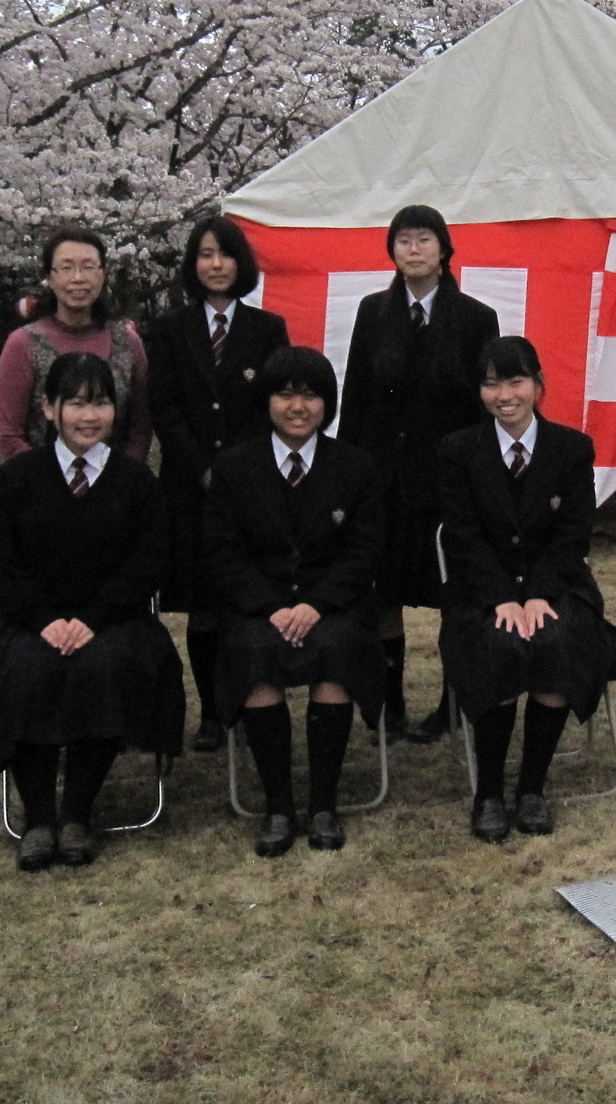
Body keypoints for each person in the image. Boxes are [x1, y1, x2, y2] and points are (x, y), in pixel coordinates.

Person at [0, 353, 186, 871]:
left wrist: (92, 619)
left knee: (105, 668)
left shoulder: (136, 482)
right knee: (24, 670)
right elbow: (0, 564)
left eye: (100, 404)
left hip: (115, 619)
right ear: (49, 408)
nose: (88, 417)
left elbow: (149, 562)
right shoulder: (17, 479)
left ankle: (76, 814)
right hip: (32, 620)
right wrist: (44, 620)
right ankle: (39, 817)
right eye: (75, 404)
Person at [436, 336, 616, 842]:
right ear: (479, 391)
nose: (505, 394)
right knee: (498, 644)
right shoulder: (457, 452)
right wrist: (502, 597)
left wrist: (539, 594)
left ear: (539, 386)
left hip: (559, 584)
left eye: (516, 380)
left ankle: (532, 788)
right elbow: (462, 537)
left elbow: (573, 534)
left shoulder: (572, 449)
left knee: (556, 640)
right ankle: (489, 794)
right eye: (491, 382)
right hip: (482, 590)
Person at [205, 347, 385, 857]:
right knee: (254, 654)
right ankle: (279, 805)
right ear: (266, 402)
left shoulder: (355, 467)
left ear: (327, 403)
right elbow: (223, 552)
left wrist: (317, 605)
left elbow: (365, 551)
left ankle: (324, 803)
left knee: (339, 649)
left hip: (332, 608)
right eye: (285, 394)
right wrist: (270, 607)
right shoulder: (234, 467)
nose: (297, 406)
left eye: (310, 394)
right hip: (260, 610)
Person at [339, 205, 499, 743]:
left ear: (444, 249)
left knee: (452, 594)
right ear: (392, 250)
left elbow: (484, 408)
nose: (413, 249)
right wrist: (348, 474)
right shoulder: (371, 312)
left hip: (445, 481)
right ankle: (389, 703)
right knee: (382, 592)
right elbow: (355, 397)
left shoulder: (476, 318)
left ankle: (453, 703)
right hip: (382, 479)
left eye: (424, 239)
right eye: (403, 240)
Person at [147, 215, 290, 753]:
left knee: (245, 599)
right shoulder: (167, 329)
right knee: (203, 606)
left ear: (241, 263)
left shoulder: (267, 329)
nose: (215, 264)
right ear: (193, 263)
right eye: (205, 254)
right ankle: (211, 711)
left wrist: (232, 470)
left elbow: (272, 406)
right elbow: (164, 407)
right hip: (186, 487)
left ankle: (252, 697)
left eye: (225, 254)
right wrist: (200, 466)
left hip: (250, 485)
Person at [0, 224, 151, 462]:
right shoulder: (23, 344)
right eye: (66, 268)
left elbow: (140, 429)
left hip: (118, 489)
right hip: (41, 488)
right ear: (50, 277)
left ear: (102, 274)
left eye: (88, 267)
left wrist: (119, 480)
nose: (78, 278)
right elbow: (9, 436)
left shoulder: (128, 342)